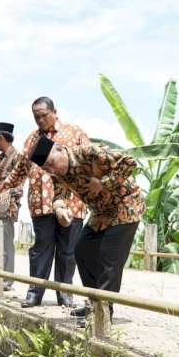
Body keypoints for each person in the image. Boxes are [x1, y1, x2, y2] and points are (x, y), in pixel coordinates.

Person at [28, 136, 145, 326]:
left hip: (126, 206)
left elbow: (129, 163)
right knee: (82, 251)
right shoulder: (59, 174)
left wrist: (103, 183)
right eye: (47, 168)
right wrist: (60, 209)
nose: (52, 169)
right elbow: (59, 195)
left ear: (60, 150)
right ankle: (94, 303)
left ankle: (102, 314)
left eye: (51, 163)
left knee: (108, 258)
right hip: (101, 212)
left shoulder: (89, 152)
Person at [0, 97, 88, 309]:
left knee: (67, 250)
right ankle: (35, 293)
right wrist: (2, 187)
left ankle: (65, 294)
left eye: (44, 115)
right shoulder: (33, 139)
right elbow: (21, 168)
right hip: (41, 203)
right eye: (36, 117)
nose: (41, 120)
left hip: (71, 203)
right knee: (41, 249)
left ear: (55, 112)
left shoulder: (74, 133)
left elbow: (87, 165)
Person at [0, 122, 23, 291]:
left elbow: (19, 185)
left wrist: (12, 203)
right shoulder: (0, 157)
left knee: (6, 243)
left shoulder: (17, 157)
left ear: (1, 137)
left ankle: (7, 280)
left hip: (9, 206)